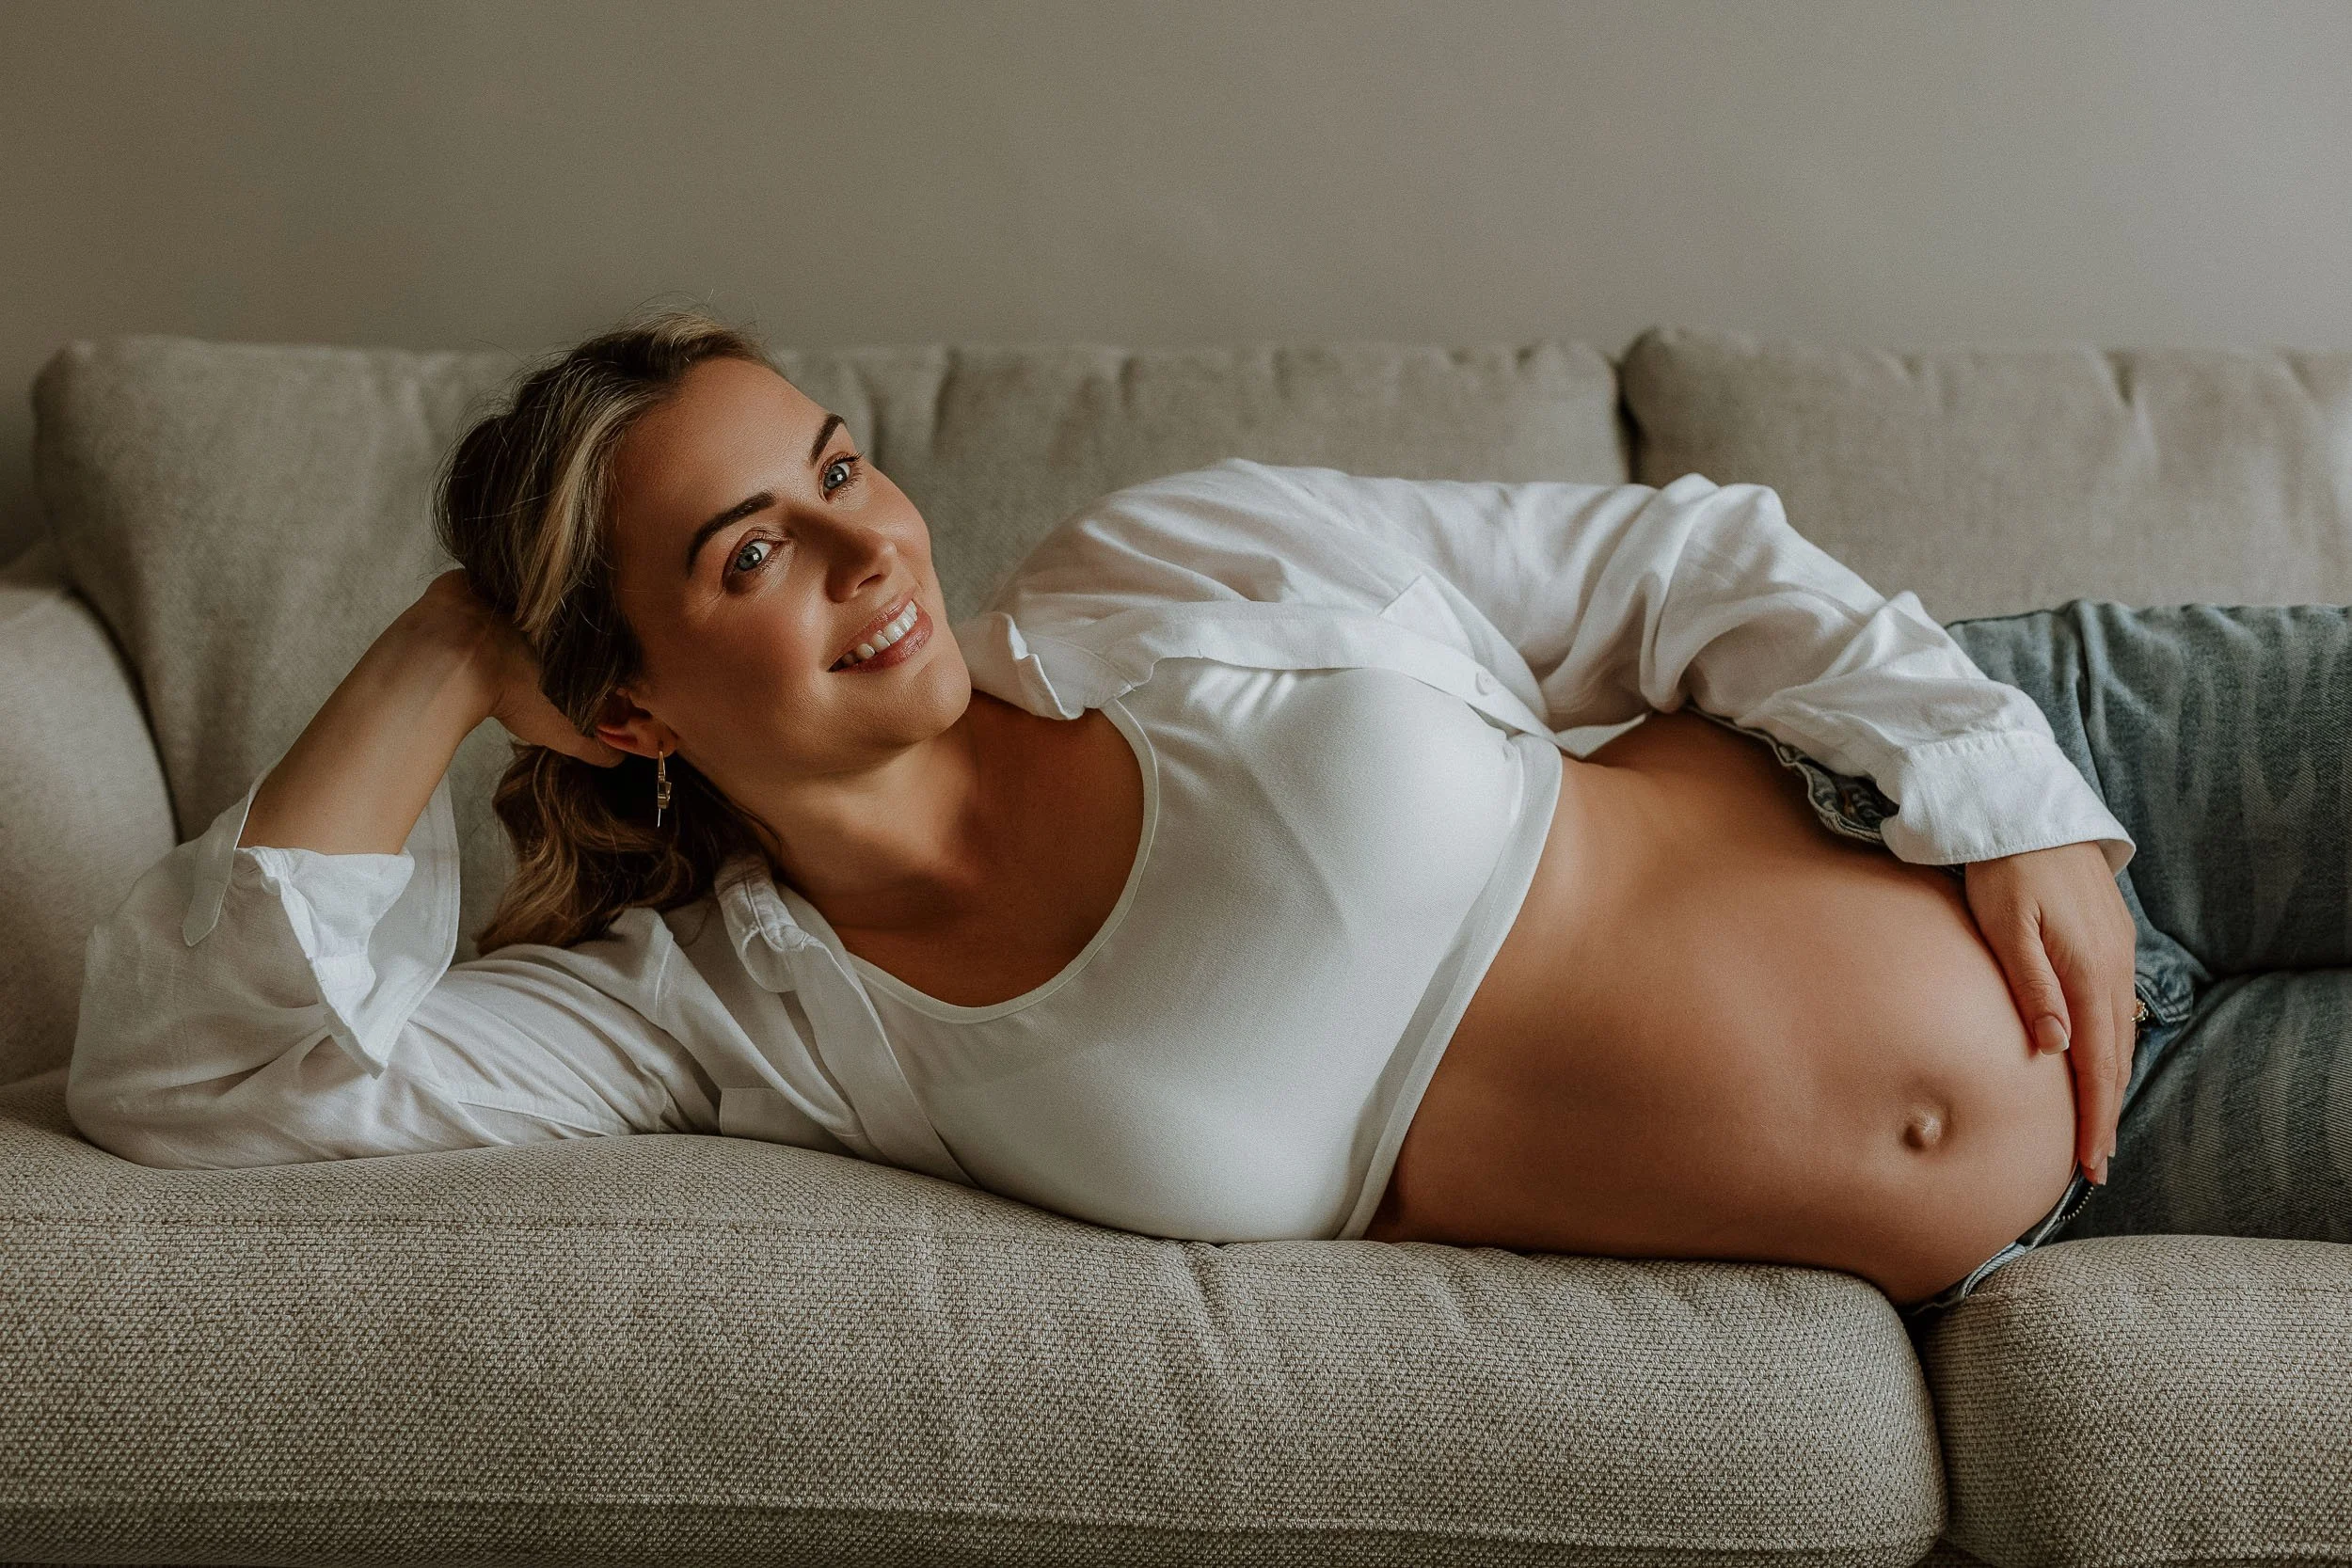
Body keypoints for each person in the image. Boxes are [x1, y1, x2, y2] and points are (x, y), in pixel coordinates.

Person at [64, 307, 2350, 1322]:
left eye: (841, 467)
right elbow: (198, 1085)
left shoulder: (1165, 565)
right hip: (2109, 1164)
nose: (871, 545)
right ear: (624, 701)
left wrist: (2009, 798)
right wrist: (438, 651)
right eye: (754, 547)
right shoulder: (734, 1018)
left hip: (2080, 766)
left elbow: (1673, 566)